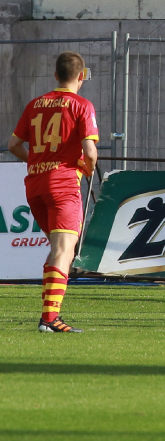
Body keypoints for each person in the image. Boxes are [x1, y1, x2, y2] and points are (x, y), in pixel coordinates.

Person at [8, 51, 98, 333]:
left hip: (35, 186)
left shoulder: (35, 104)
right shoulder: (81, 105)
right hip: (63, 185)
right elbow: (90, 152)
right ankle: (49, 319)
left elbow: (13, 145)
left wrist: (36, 161)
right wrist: (86, 168)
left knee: (58, 250)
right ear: (81, 76)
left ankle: (49, 317)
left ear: (56, 75)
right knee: (64, 251)